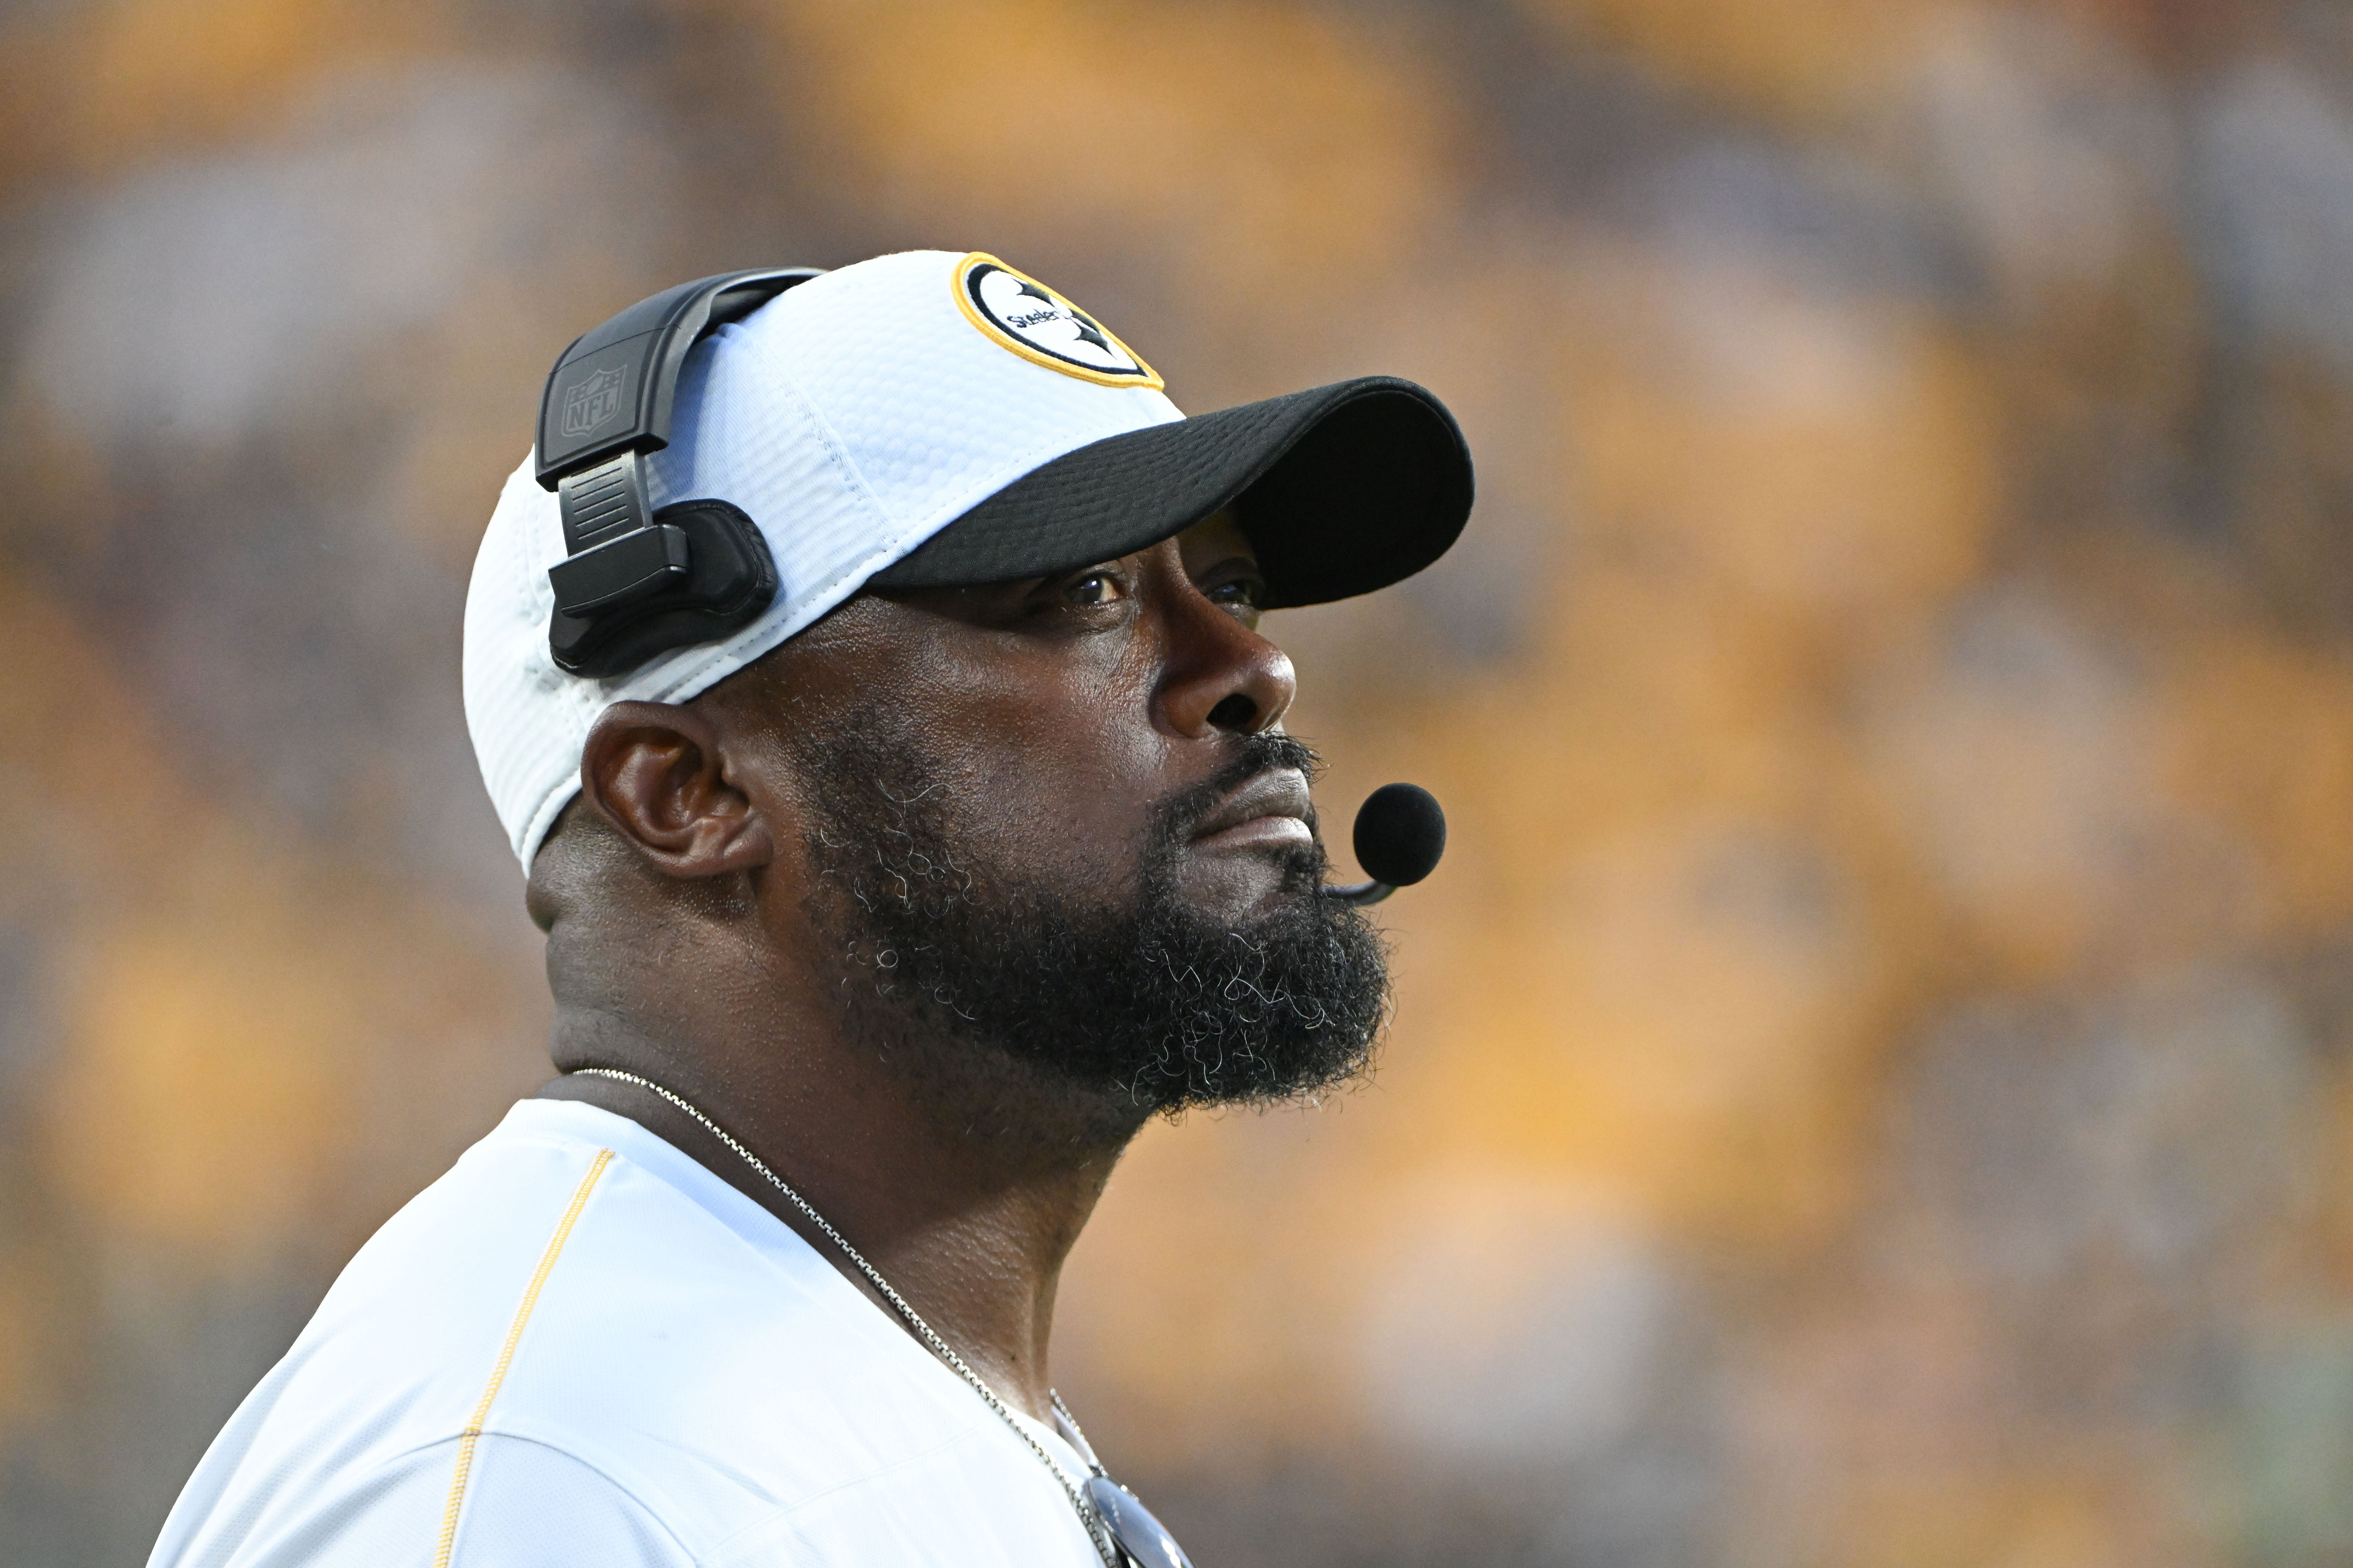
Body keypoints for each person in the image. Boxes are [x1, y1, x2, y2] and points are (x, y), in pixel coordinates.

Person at [147, 249, 1473, 1567]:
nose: (1254, 665)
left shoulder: (839, 1383)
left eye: (1226, 584)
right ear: (689, 793)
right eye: (1084, 592)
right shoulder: (551, 1468)